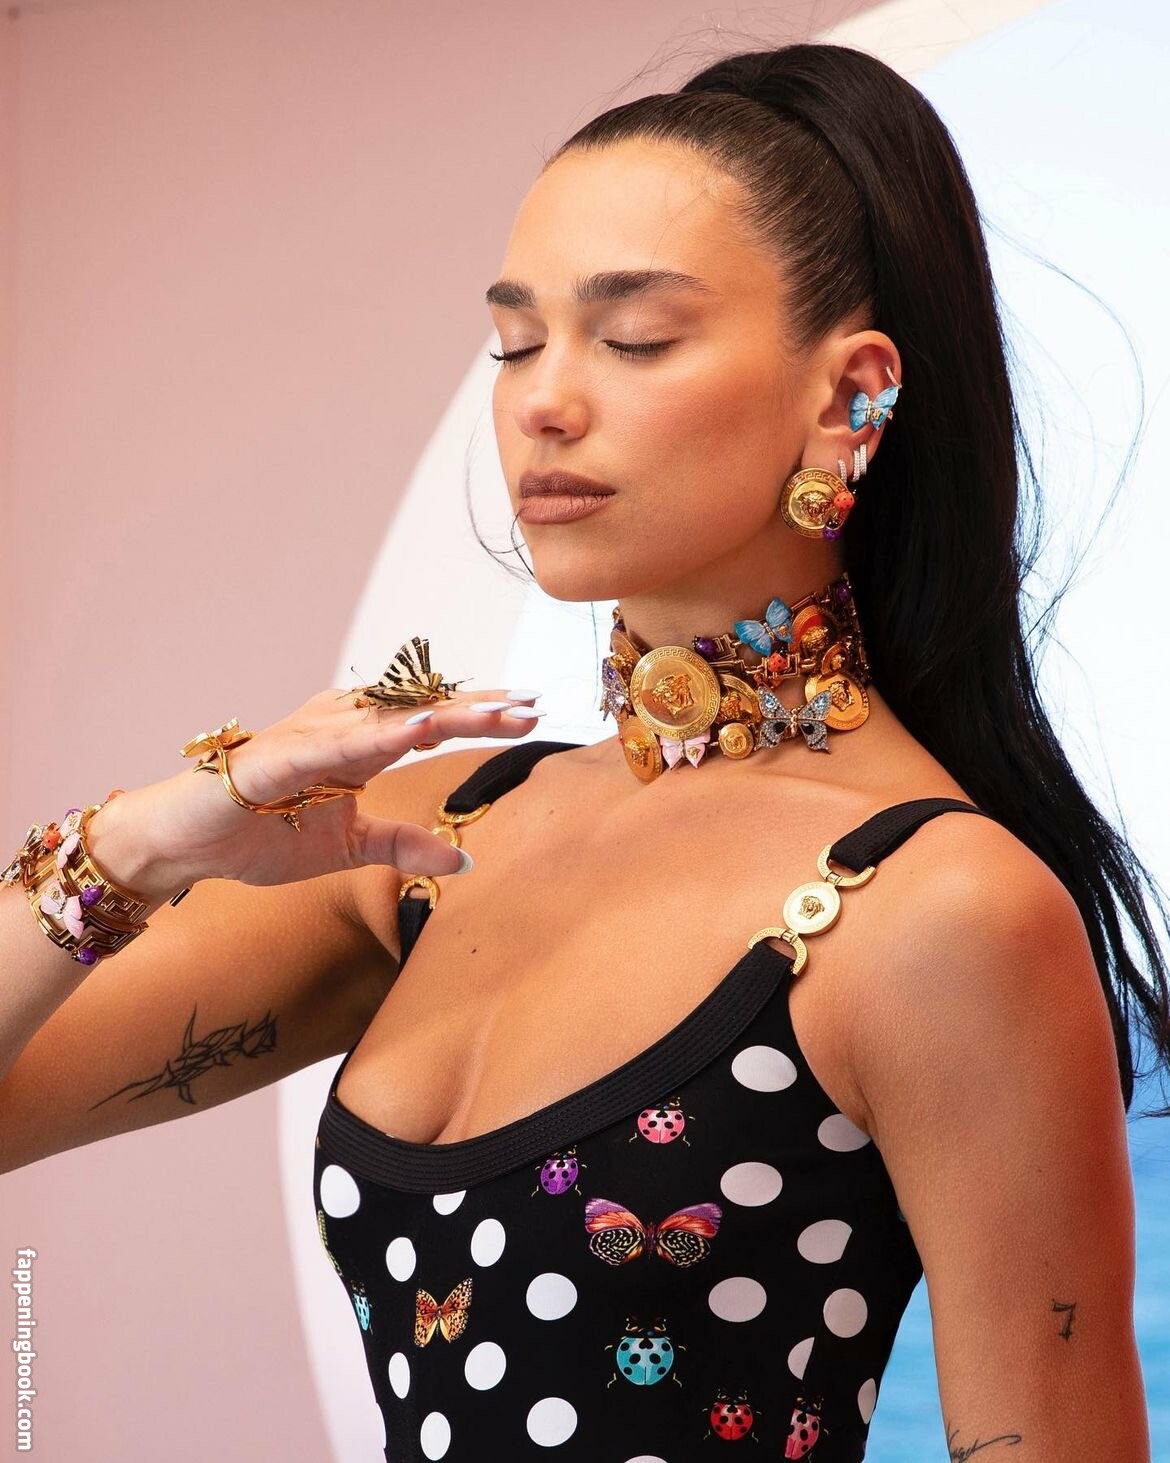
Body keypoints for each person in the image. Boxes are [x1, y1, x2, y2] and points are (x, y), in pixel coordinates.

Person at [0, 39, 1161, 1463]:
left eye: (634, 339)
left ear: (845, 397)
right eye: (513, 343)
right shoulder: (430, 838)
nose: (542, 400)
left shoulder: (934, 907)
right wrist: (139, 846)